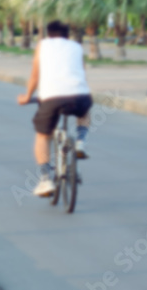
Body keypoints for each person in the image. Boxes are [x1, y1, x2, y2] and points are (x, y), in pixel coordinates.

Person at [17, 21, 92, 197]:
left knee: (42, 136)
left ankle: (45, 181)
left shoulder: (42, 45)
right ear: (67, 35)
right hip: (80, 95)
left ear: (48, 34)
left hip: (52, 97)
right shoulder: (76, 46)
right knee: (84, 112)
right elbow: (81, 71)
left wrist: (27, 96)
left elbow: (35, 74)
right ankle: (81, 141)